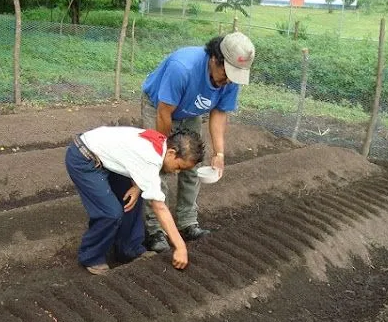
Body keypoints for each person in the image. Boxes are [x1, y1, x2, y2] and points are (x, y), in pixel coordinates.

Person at [141, 32, 255, 252]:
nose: (229, 81)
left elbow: (219, 113)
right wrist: (164, 150)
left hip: (190, 112)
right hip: (159, 108)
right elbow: (164, 113)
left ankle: (187, 222)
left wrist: (219, 153)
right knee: (157, 165)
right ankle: (154, 230)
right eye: (226, 73)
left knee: (193, 164)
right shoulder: (182, 68)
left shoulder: (230, 79)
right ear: (214, 59)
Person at [65, 126, 205, 275]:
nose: (177, 172)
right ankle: (91, 257)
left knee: (131, 198)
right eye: (178, 167)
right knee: (110, 213)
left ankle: (130, 249)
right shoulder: (151, 159)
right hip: (84, 157)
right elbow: (159, 207)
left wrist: (138, 186)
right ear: (171, 153)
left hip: (106, 157)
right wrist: (180, 247)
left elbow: (133, 157)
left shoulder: (162, 145)